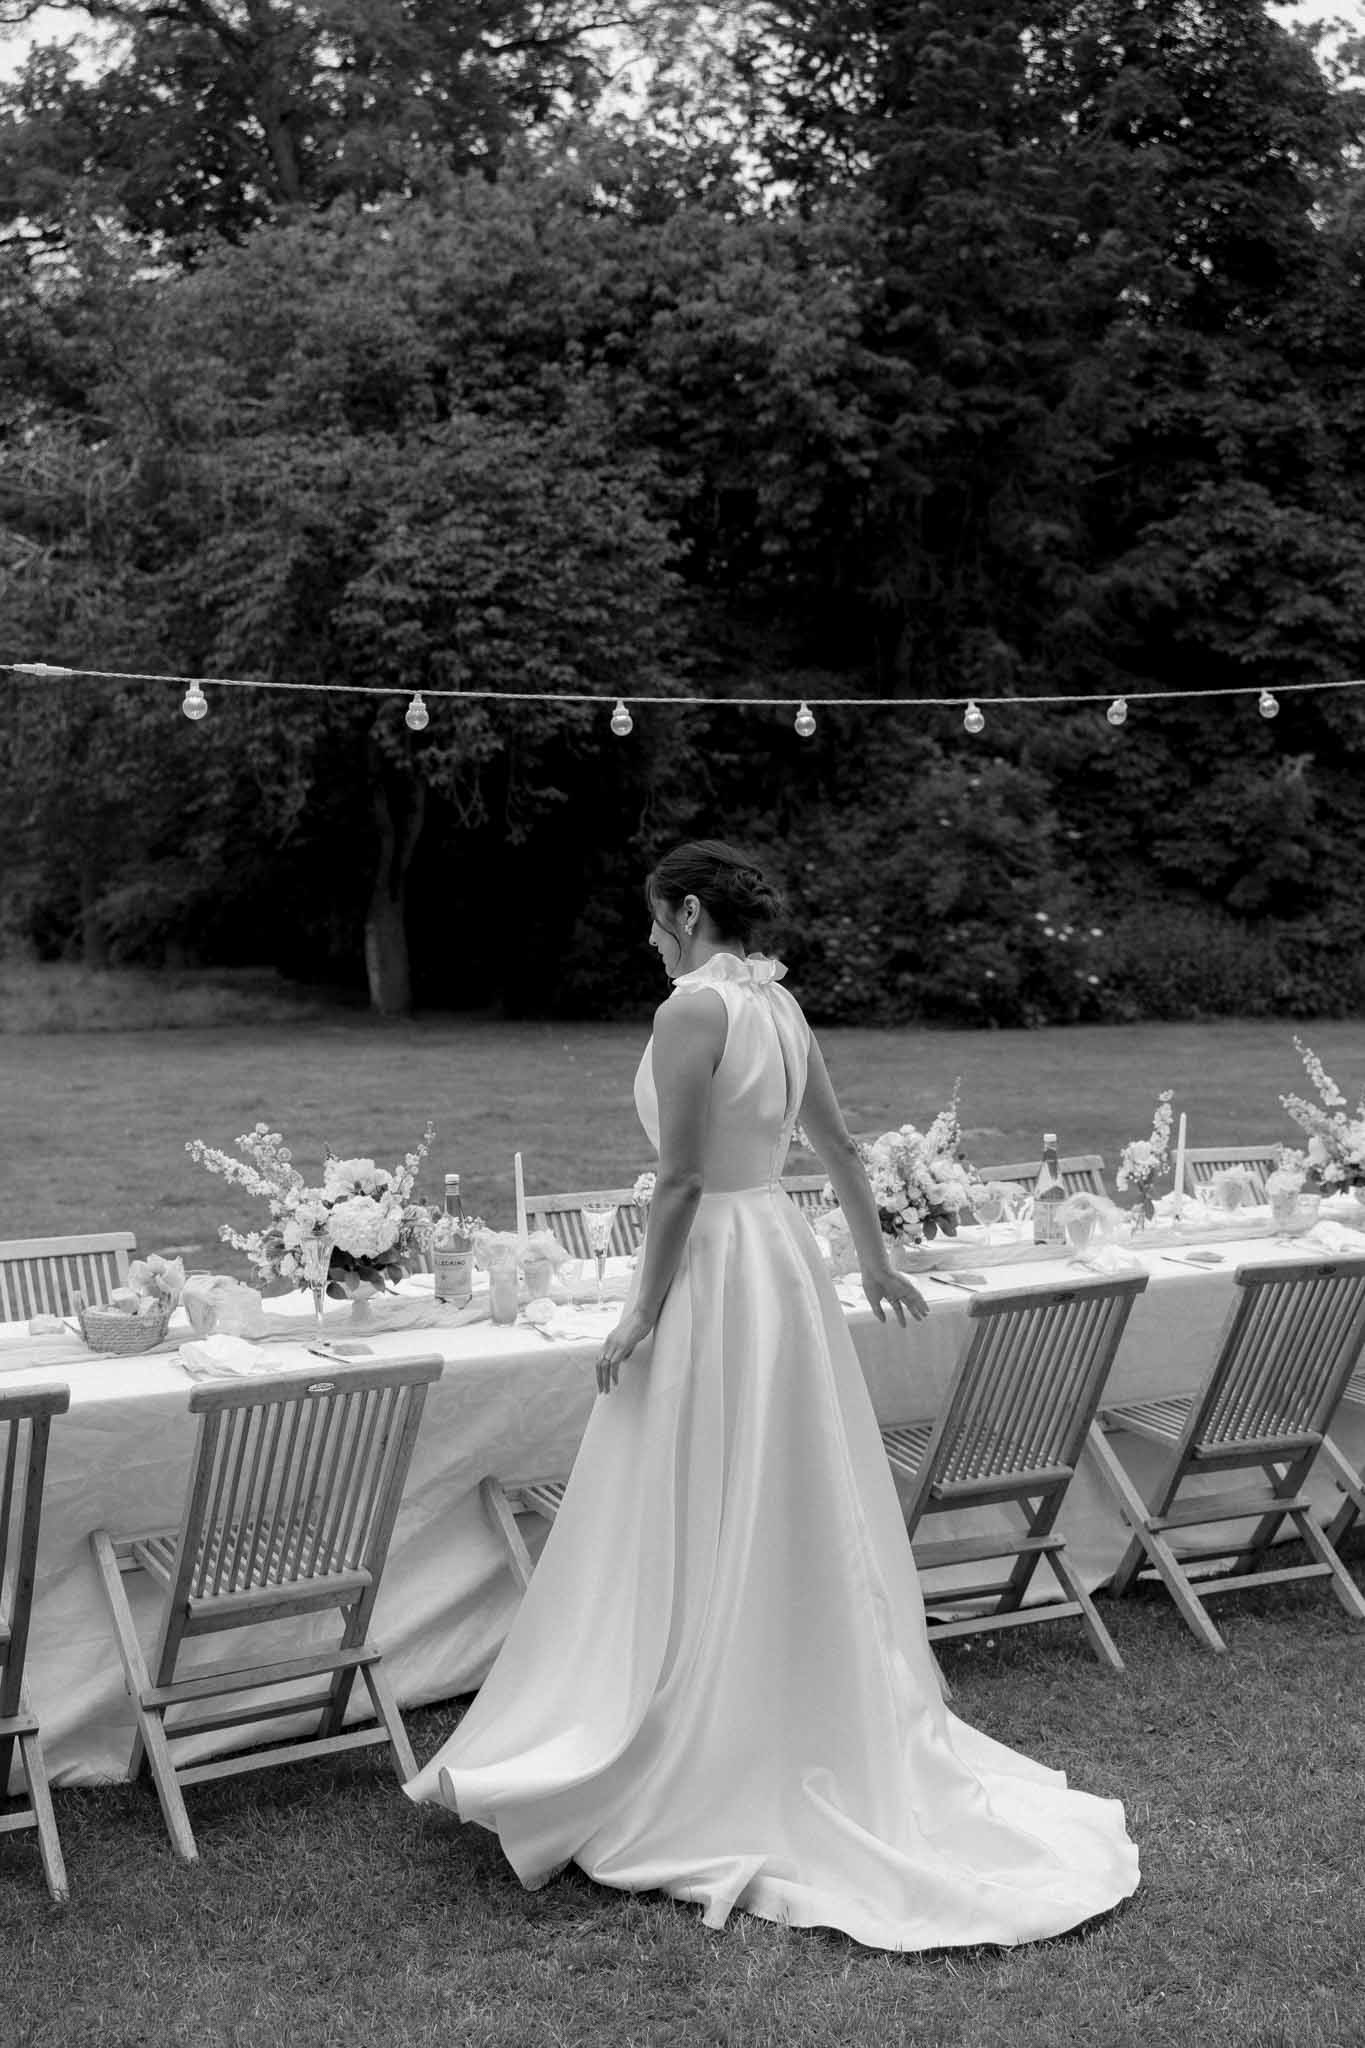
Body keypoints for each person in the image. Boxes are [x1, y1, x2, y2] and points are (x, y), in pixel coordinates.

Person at [405, 839, 1139, 1949]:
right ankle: (778, 1678)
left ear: (690, 911)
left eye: (656, 919)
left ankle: (700, 1713)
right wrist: (873, 1259)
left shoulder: (693, 1010)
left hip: (714, 1263)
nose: (650, 939)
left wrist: (641, 1309)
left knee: (705, 1470)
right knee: (779, 1471)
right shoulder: (779, 1006)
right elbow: (836, 1144)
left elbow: (680, 1180)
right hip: (778, 1258)